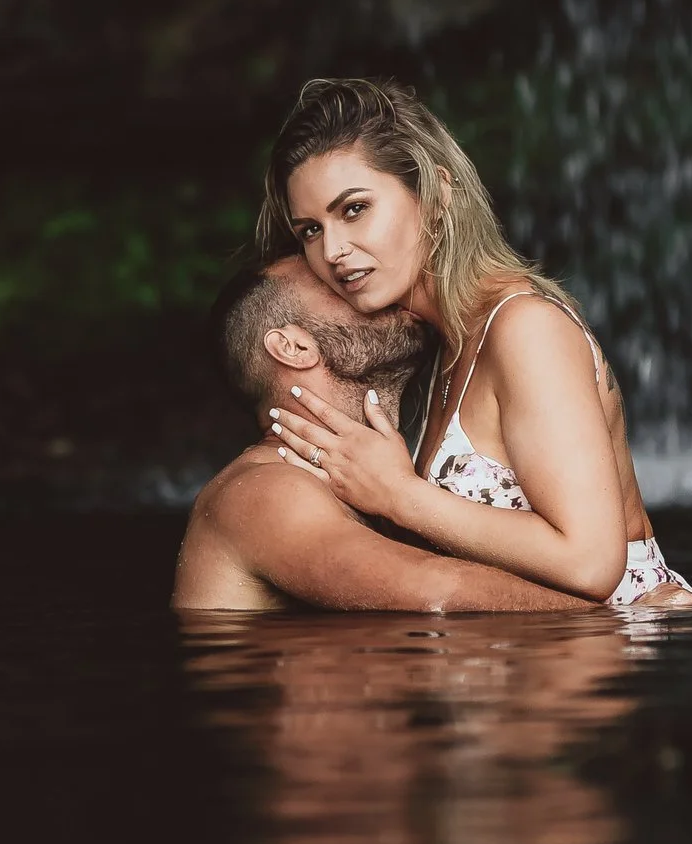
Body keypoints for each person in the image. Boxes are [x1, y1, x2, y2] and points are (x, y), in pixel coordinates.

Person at [258, 78, 692, 609]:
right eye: (310, 230)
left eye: (354, 209)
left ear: (438, 194)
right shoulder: (438, 347)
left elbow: (591, 564)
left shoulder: (524, 328)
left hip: (616, 653)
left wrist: (401, 496)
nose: (333, 249)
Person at [172, 253, 598, 612]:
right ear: (294, 348)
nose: (374, 290)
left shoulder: (365, 485)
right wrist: (630, 619)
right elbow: (442, 592)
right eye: (341, 288)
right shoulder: (266, 489)